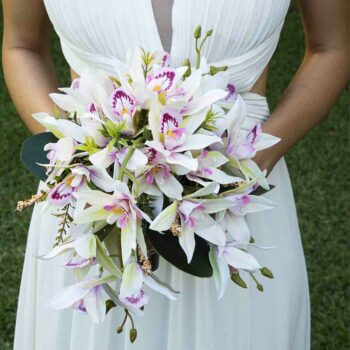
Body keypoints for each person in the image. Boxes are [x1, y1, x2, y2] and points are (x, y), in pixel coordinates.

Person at [2, 1, 349, 349]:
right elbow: (22, 46)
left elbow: (331, 47)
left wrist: (250, 163)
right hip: (94, 212)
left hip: (236, 204)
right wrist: (79, 156)